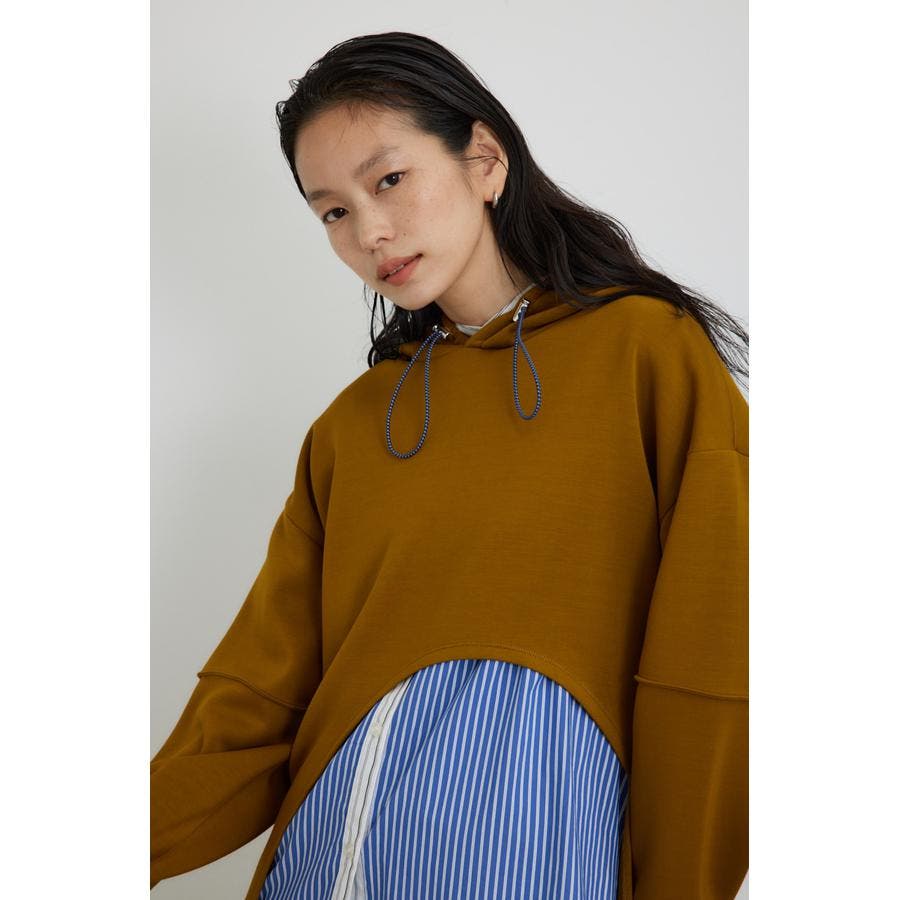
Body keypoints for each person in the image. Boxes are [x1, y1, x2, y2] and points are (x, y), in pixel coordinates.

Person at [150, 31, 748, 900]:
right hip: (331, 854)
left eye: (389, 179)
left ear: (485, 160)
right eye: (333, 212)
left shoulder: (646, 353)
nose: (370, 231)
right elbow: (255, 697)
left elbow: (717, 653)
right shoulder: (352, 427)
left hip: (541, 851)